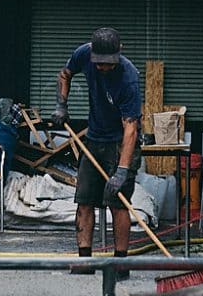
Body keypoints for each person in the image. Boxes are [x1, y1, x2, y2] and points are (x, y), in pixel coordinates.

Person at [53, 27, 143, 281]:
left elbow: (130, 129)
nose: (103, 68)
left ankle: (120, 264)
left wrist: (122, 171)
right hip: (94, 138)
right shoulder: (83, 54)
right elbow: (65, 74)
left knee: (118, 202)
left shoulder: (128, 78)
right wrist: (62, 104)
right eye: (99, 64)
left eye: (108, 64)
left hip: (120, 143)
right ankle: (85, 260)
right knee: (84, 200)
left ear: (119, 53)